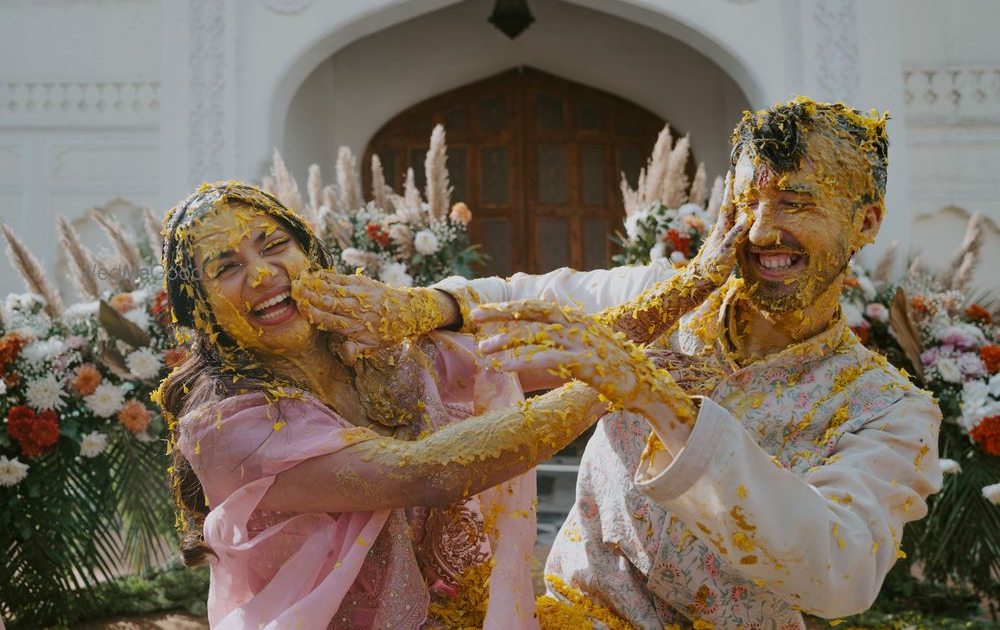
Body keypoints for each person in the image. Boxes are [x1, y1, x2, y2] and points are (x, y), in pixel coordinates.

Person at [301, 99, 943, 628]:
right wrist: (419, 307)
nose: (760, 231)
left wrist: (652, 397)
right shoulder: (671, 298)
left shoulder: (888, 408)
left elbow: (841, 572)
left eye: (797, 203)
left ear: (866, 222)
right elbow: (526, 301)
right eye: (746, 204)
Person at [154, 181, 619, 629]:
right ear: (199, 308)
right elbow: (427, 472)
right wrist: (612, 383)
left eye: (274, 245)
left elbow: (527, 356)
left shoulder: (381, 349)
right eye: (226, 267)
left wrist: (658, 327)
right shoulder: (223, 425)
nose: (260, 273)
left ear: (311, 255)